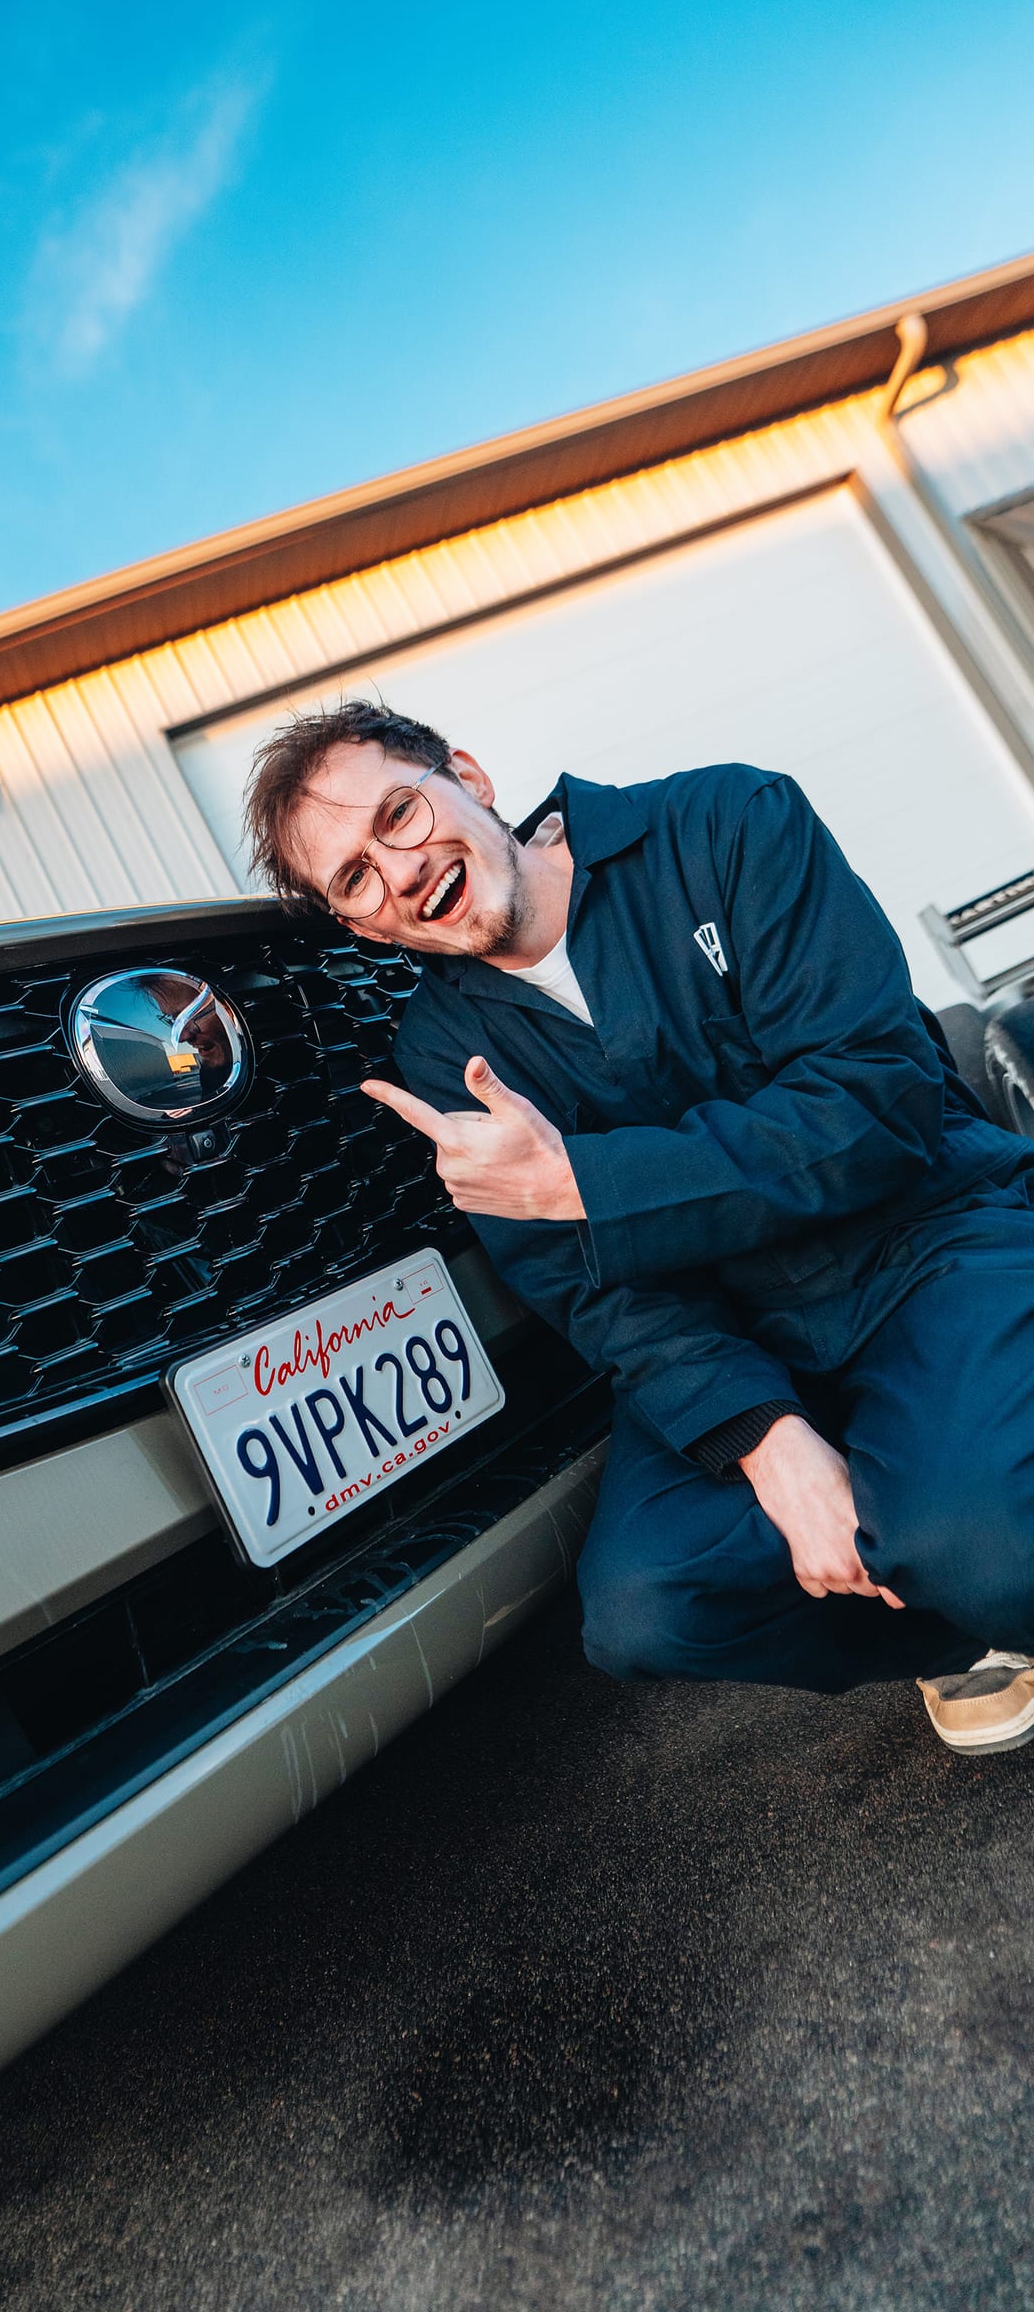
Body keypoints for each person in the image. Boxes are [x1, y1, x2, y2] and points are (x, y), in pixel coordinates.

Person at [242, 698, 1034, 1754]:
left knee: (991, 1543)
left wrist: (586, 1181)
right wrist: (767, 1440)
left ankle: (972, 1555)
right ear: (361, 927)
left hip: (924, 1244)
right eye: (355, 878)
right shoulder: (438, 1051)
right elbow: (594, 1289)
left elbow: (874, 1107)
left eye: (398, 813)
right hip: (745, 1329)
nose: (401, 868)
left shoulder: (727, 823)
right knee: (647, 1605)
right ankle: (959, 1625)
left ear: (468, 777)